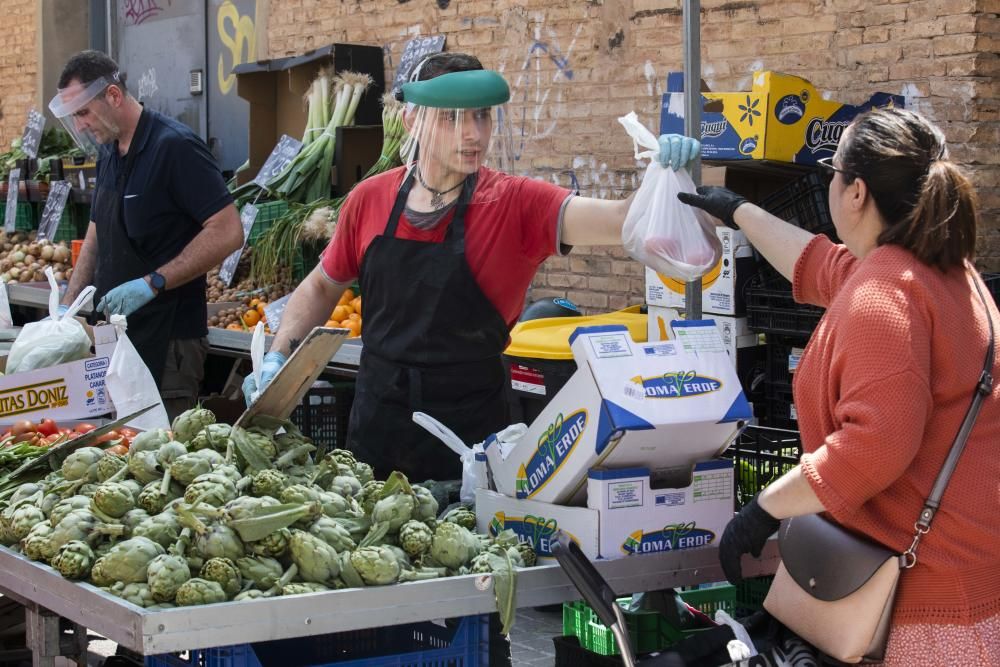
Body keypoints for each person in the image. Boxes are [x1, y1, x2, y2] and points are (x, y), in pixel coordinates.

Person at [243, 52, 700, 483]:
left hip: (474, 440)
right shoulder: (370, 199)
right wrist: (279, 358)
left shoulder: (516, 202)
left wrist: (662, 175)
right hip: (377, 428)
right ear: (412, 120)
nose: (473, 134)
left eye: (482, 115)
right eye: (452, 118)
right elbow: (323, 285)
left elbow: (623, 221)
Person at [679, 108, 999, 665]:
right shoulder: (943, 272)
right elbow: (822, 265)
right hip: (970, 578)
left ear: (855, 193)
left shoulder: (885, 295)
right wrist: (740, 213)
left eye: (832, 169)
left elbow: (874, 448)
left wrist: (764, 508)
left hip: (923, 606)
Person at [51, 51, 244, 420]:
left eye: (83, 112)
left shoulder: (174, 147)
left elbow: (228, 231)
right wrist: (67, 305)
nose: (80, 127)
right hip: (118, 339)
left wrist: (153, 282)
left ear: (113, 96)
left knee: (158, 456)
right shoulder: (109, 152)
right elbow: (96, 231)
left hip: (168, 343)